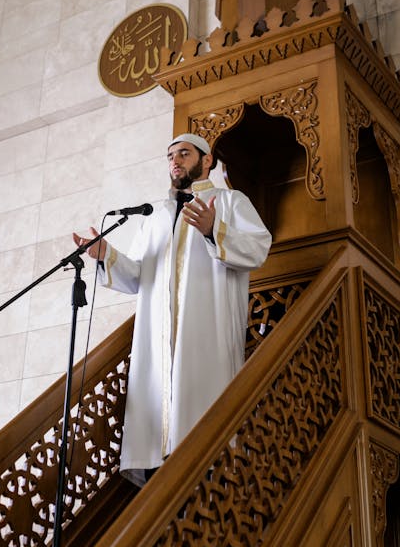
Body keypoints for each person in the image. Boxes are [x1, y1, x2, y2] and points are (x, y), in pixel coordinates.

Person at [73, 133, 271, 485]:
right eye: (170, 156)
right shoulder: (155, 215)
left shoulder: (230, 202)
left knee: (205, 439)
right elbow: (138, 277)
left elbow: (258, 248)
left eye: (184, 153)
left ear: (207, 160)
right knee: (157, 436)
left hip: (206, 338)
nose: (175, 161)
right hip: (158, 346)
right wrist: (107, 256)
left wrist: (214, 231)